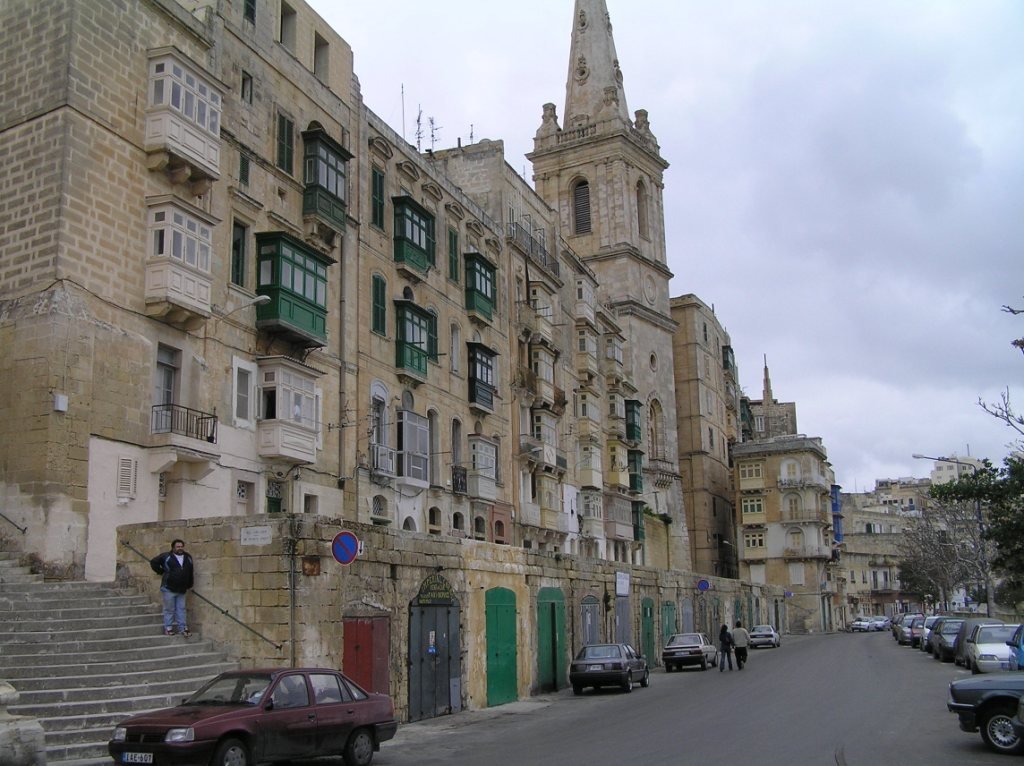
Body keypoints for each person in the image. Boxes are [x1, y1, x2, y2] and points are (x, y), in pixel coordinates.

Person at [150, 539, 194, 637]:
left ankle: (182, 628)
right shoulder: (166, 556)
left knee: (181, 609)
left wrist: (189, 584)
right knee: (169, 609)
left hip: (182, 588)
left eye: (181, 546)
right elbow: (153, 562)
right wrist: (162, 572)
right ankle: (168, 628)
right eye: (178, 547)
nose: (180, 548)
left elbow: (190, 572)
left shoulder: (188, 557)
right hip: (169, 588)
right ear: (173, 547)